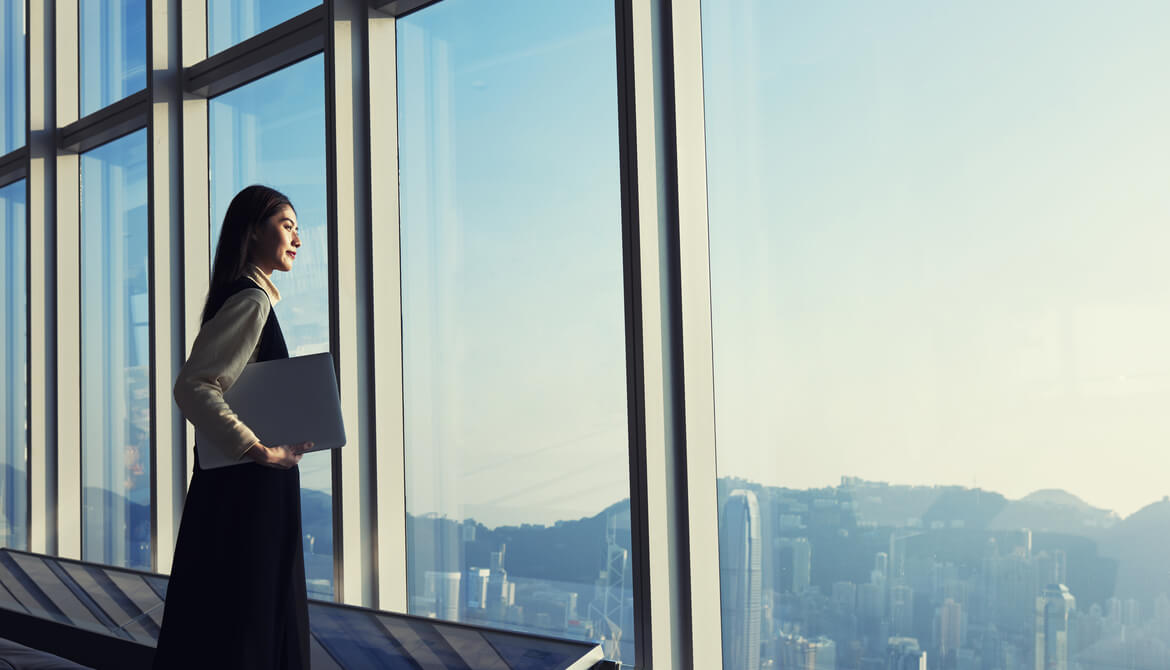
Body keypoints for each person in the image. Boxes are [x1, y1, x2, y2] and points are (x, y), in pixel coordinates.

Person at [153, 185, 312, 670]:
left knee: (226, 622)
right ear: (252, 231)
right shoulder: (252, 302)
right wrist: (257, 450)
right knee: (251, 622)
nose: (298, 240)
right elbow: (195, 387)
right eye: (287, 225)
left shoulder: (242, 298)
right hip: (251, 495)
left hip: (236, 489)